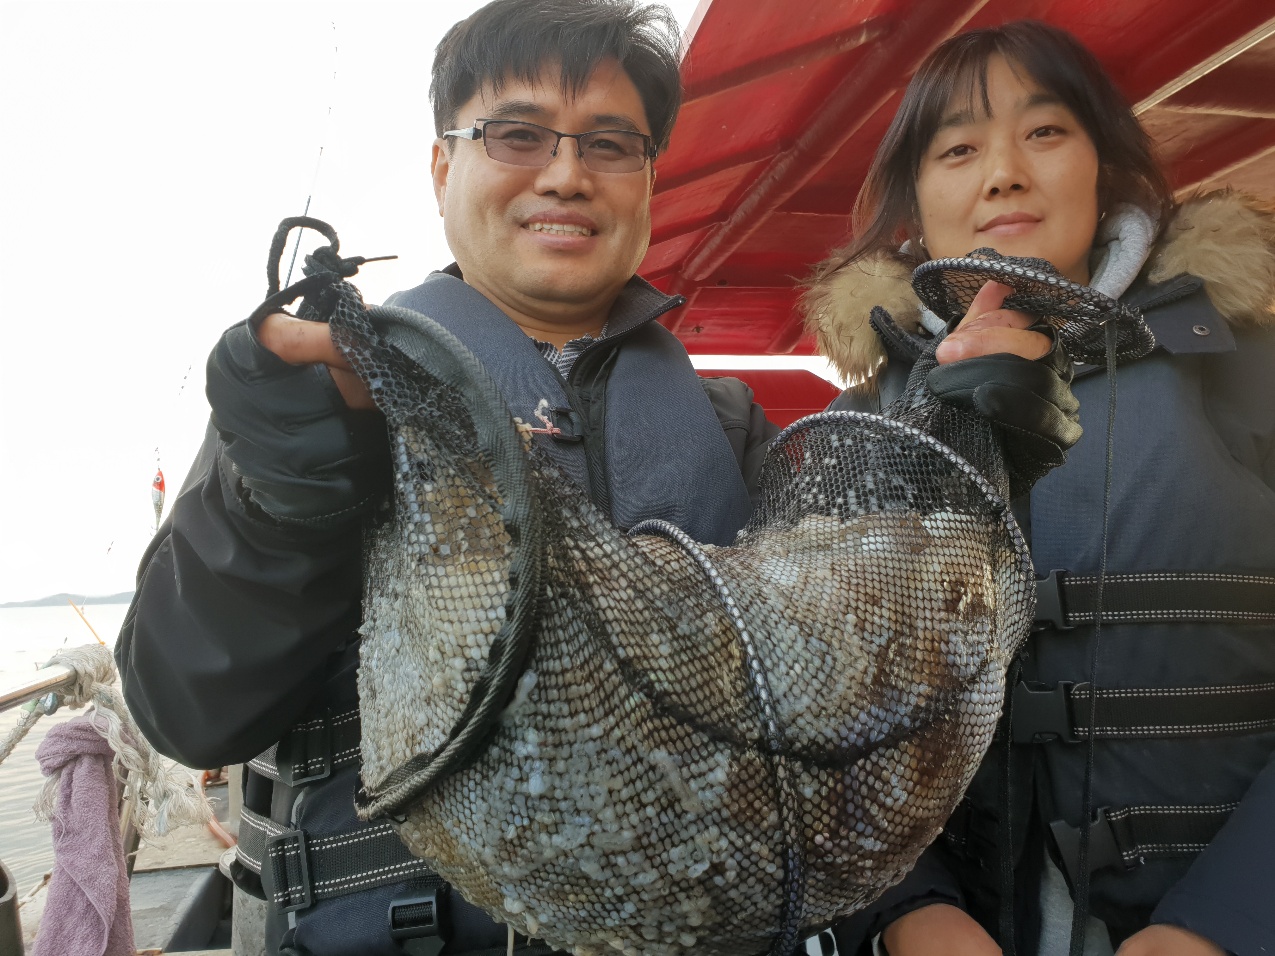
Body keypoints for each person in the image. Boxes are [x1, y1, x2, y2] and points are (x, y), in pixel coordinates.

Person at [114, 3, 1081, 954]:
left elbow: (853, 704)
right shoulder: (332, 390)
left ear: (647, 179)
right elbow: (188, 710)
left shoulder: (729, 425)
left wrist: (972, 444)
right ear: (443, 167)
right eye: (517, 135)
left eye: (610, 145)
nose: (566, 175)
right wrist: (282, 500)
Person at [802, 19, 1275, 956]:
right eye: (957, 150)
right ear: (913, 200)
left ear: (1106, 168)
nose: (1003, 174)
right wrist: (907, 912)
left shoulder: (1248, 371)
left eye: (1045, 131)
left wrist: (1220, 924)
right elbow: (813, 718)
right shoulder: (849, 436)